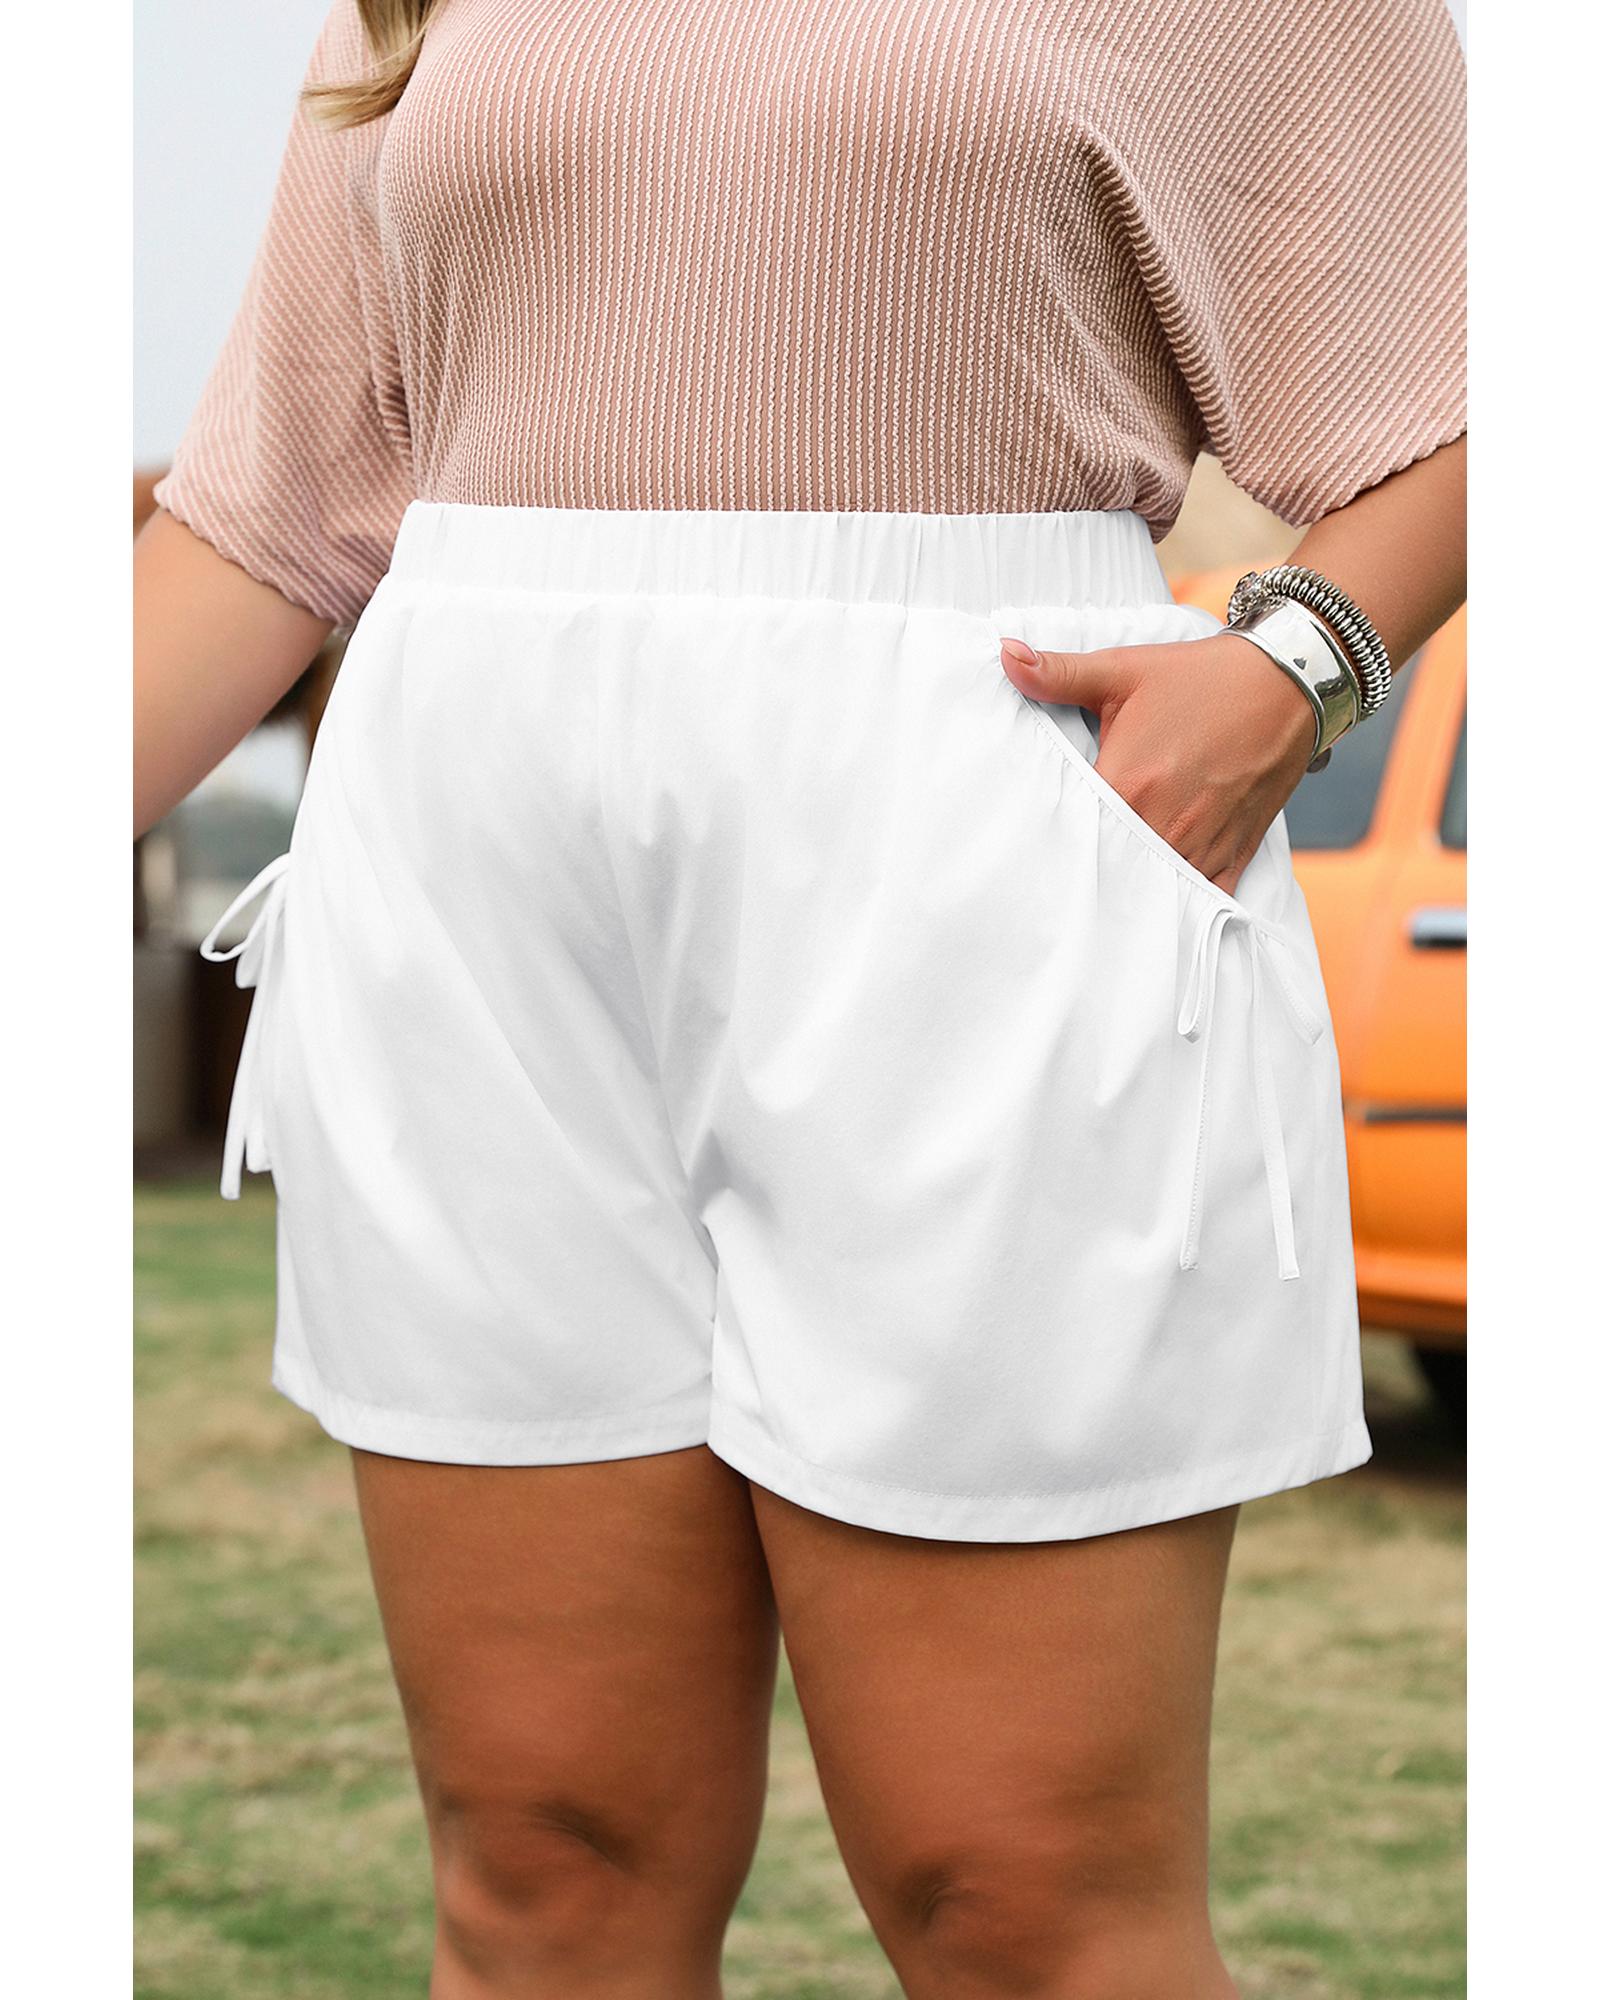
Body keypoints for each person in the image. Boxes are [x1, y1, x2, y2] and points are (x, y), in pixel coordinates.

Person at [132, 2, 1467, 1993]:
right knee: (542, 1865)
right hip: (479, 884)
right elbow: (267, 510)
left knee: (1020, 1903)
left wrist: (1298, 664)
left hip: (983, 845)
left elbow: (1475, 381)